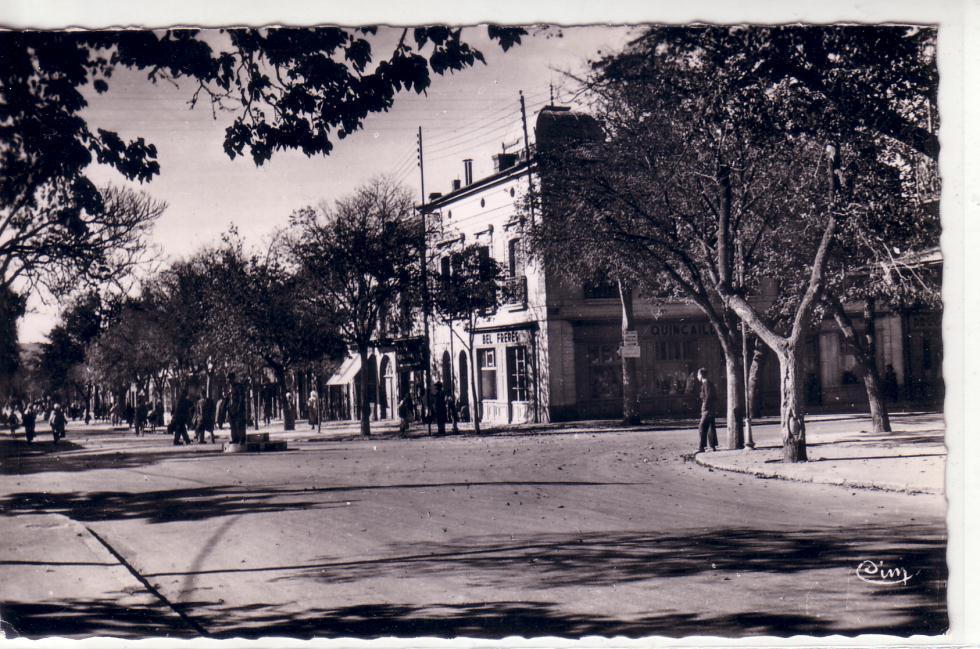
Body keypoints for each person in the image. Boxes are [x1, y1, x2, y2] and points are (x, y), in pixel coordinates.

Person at [696, 367, 718, 452]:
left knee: (701, 426)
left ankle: (701, 447)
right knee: (710, 427)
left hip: (707, 409)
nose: (697, 377)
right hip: (710, 408)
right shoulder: (708, 383)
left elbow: (708, 397)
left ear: (701, 375)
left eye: (698, 375)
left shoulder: (706, 384)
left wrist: (705, 407)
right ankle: (713, 446)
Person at [227, 373, 247, 445]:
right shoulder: (230, 387)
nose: (228, 380)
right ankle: (234, 439)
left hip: (238, 408)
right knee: (232, 425)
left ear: (233, 378)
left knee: (239, 424)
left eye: (229, 379)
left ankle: (242, 439)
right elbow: (229, 398)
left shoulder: (239, 386)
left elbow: (241, 397)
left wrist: (239, 407)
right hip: (231, 409)